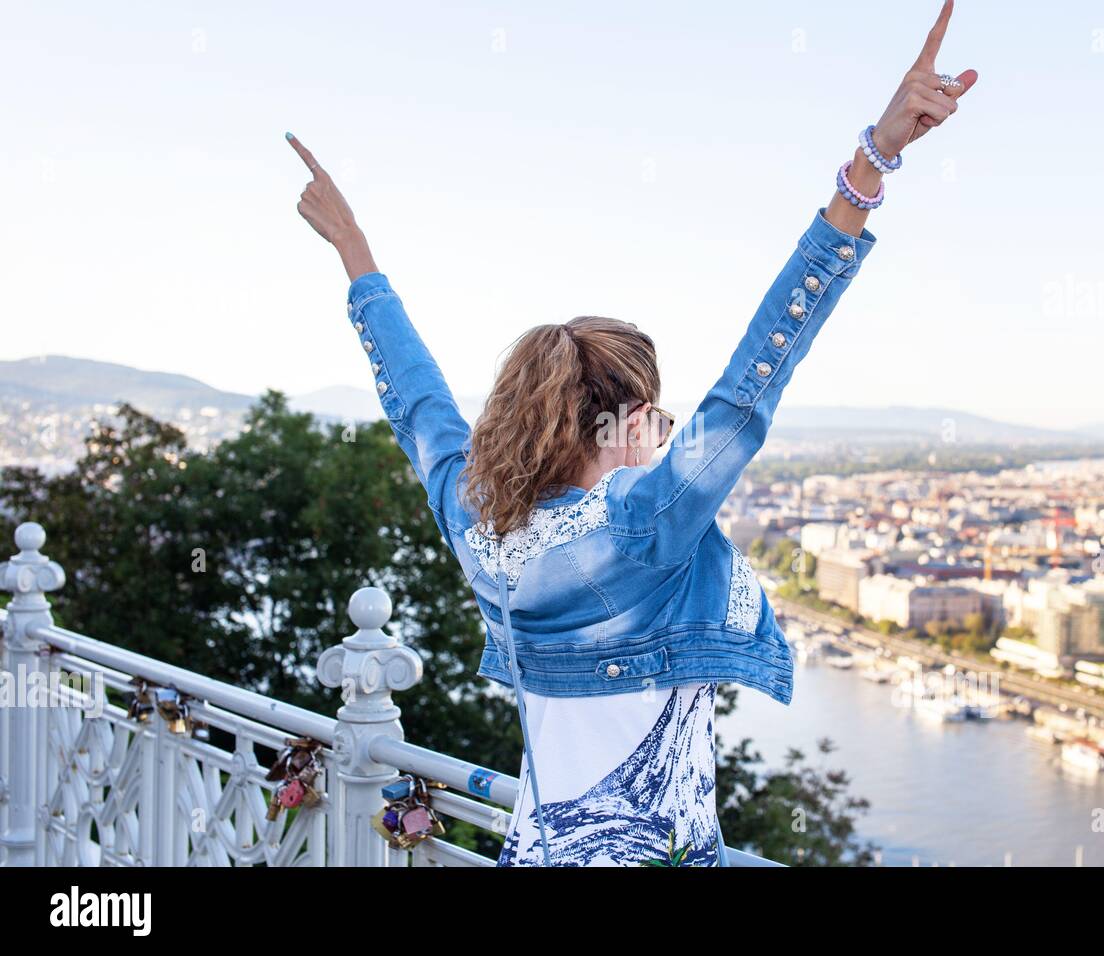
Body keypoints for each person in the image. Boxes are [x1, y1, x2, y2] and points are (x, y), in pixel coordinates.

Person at [288, 0, 976, 867]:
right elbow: (752, 383)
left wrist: (357, 255)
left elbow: (418, 407)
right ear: (626, 418)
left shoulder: (480, 519)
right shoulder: (641, 527)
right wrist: (869, 164)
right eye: (660, 413)